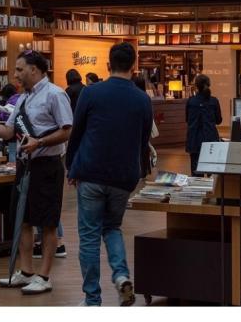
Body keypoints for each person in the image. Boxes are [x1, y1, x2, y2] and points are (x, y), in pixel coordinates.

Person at [0, 50, 72, 296]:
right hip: (25, 165)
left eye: (20, 69)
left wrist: (39, 142)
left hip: (47, 166)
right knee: (22, 219)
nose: (15, 74)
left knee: (47, 222)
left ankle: (44, 276)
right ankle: (26, 272)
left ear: (34, 70)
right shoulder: (23, 98)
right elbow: (8, 131)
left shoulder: (56, 95)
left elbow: (67, 130)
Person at [67, 42, 150, 306]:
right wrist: (139, 173)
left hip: (91, 172)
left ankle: (92, 299)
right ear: (134, 66)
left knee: (89, 236)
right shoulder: (142, 99)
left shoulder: (92, 93)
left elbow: (77, 131)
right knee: (112, 227)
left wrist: (71, 166)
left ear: (107, 65)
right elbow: (144, 140)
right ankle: (121, 274)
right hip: (123, 175)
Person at [185, 74, 222, 177]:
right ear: (209, 85)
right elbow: (219, 120)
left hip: (194, 140)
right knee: (212, 173)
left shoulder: (191, 101)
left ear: (196, 86)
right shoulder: (214, 101)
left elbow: (187, 120)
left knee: (196, 174)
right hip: (211, 139)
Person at [132, 74, 159, 178]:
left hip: (135, 126)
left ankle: (140, 170)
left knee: (136, 150)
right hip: (144, 127)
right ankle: (144, 170)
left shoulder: (134, 96)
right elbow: (149, 114)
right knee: (144, 149)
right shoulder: (145, 97)